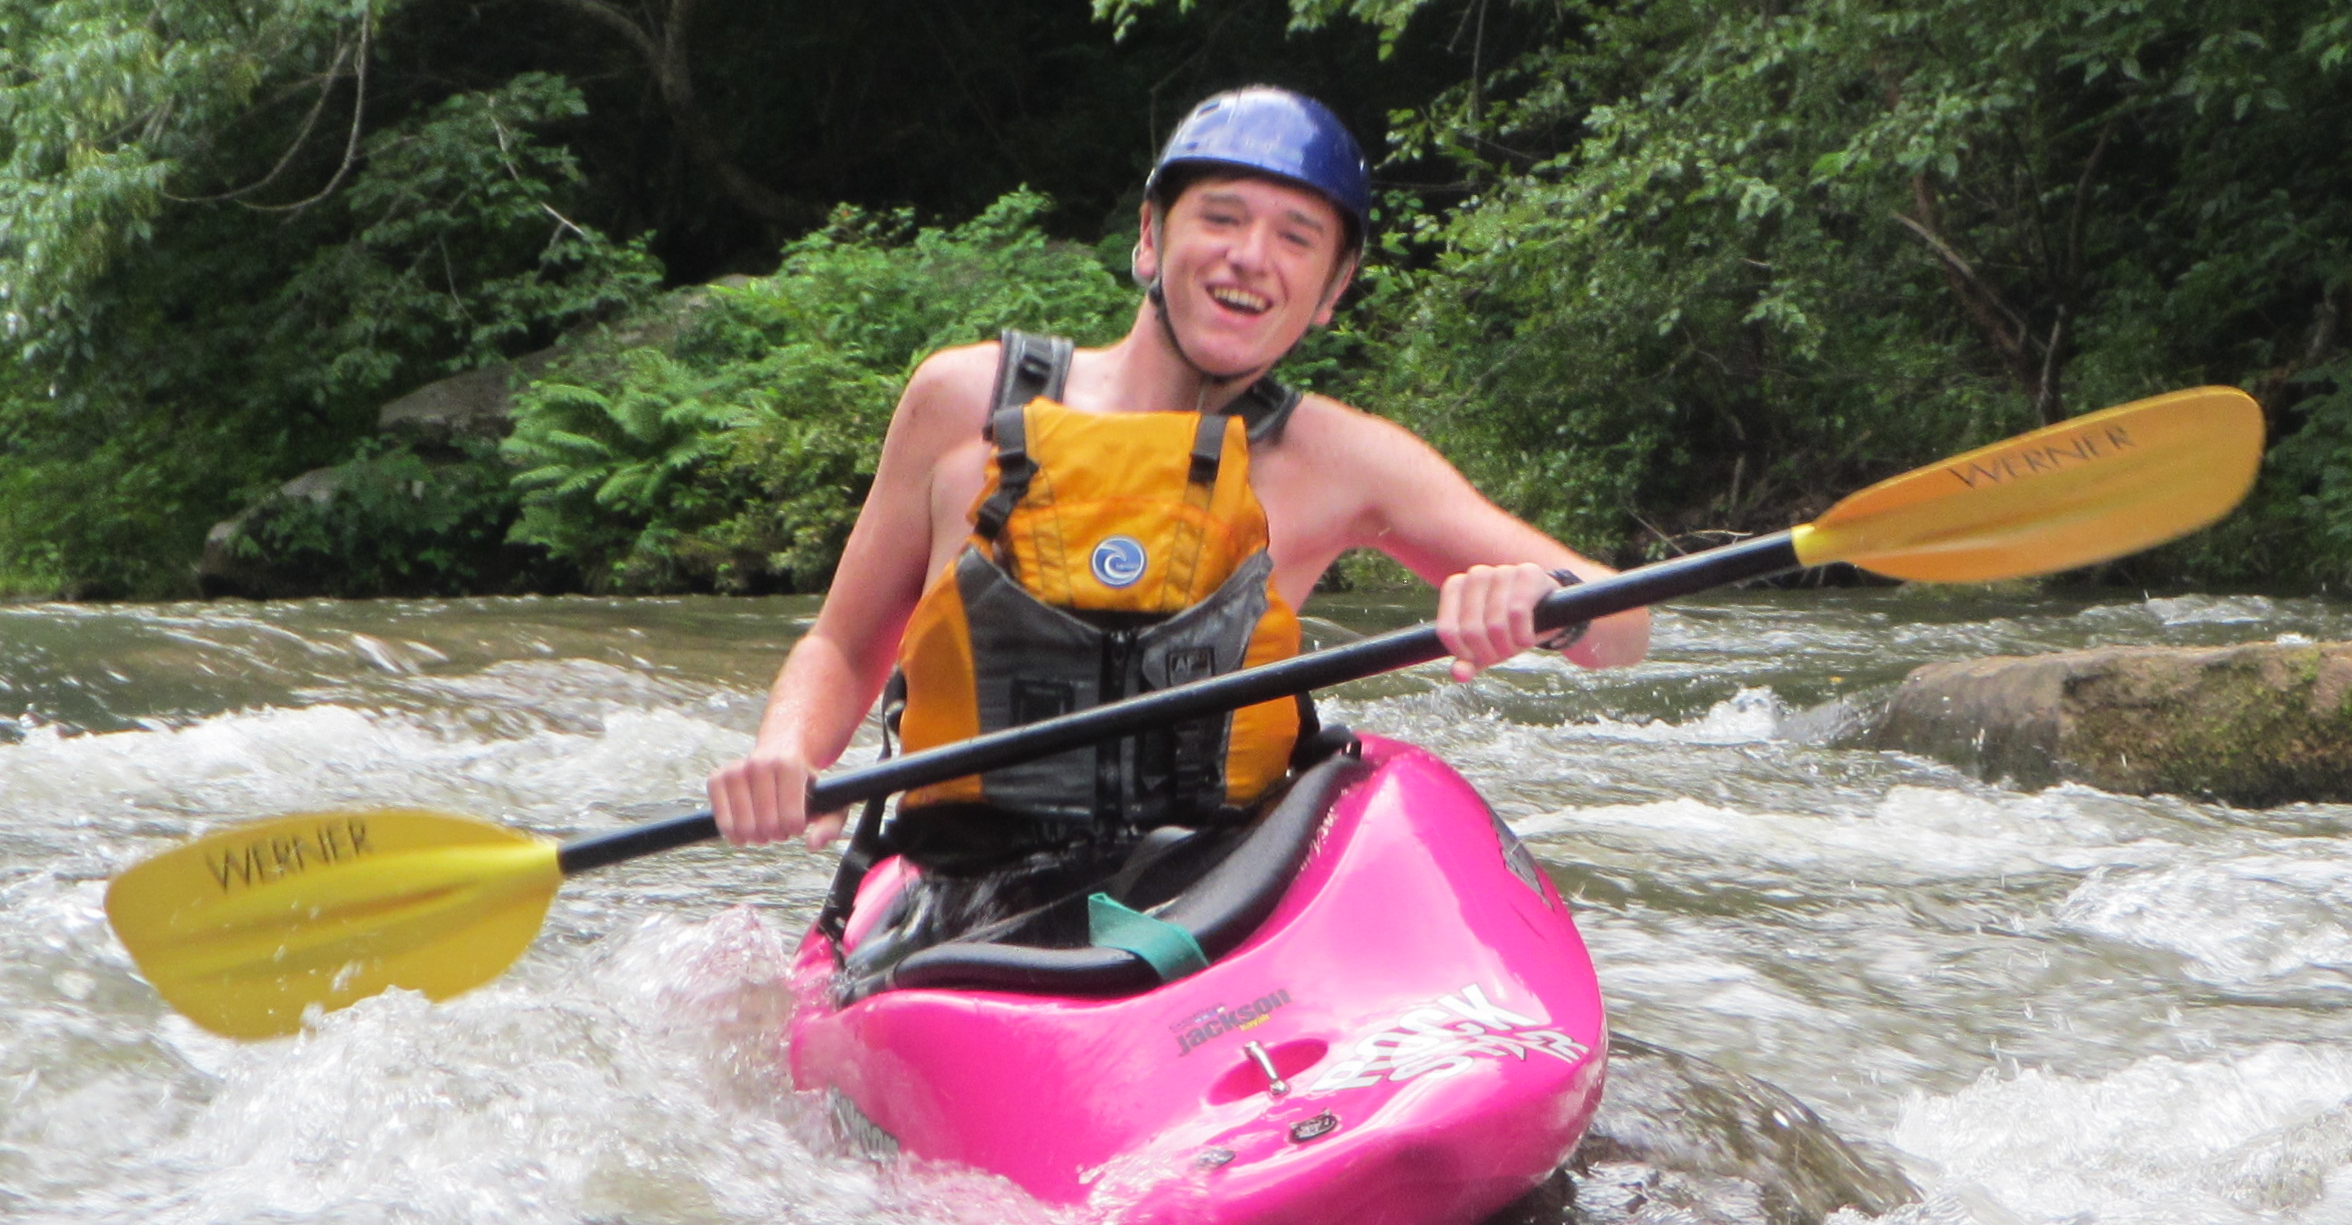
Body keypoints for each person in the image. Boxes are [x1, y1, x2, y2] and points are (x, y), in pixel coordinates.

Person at [707, 90, 1650, 926]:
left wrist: (1545, 598)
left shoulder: (1342, 460)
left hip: (1212, 888)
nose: (1251, 257)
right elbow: (842, 647)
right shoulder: (965, 404)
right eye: (1223, 218)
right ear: (1151, 239)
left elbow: (1626, 623)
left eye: (1297, 237)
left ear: (1332, 290)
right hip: (967, 890)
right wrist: (786, 755)